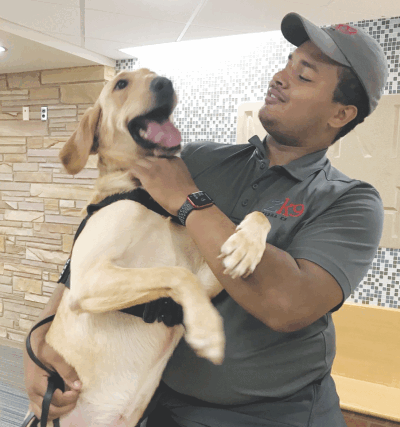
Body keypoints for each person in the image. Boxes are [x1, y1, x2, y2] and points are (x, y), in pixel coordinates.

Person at [24, 12, 387, 427]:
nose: (280, 77)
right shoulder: (195, 159)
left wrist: (186, 198)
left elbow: (288, 305)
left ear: (340, 115)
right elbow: (95, 240)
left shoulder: (351, 202)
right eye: (287, 63)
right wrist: (39, 336)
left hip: (273, 415)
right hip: (157, 401)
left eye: (304, 76)